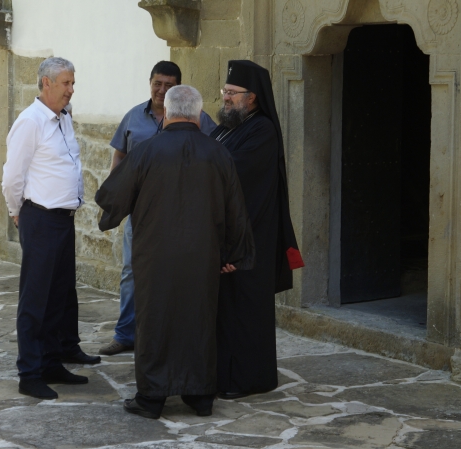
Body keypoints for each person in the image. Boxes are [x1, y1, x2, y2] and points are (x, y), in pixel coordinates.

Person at [95, 85, 255, 419]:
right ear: (198, 115)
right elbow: (236, 210)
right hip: (203, 256)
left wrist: (109, 214)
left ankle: (151, 397)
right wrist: (233, 255)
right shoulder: (218, 152)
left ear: (166, 112)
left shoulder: (146, 151)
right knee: (199, 320)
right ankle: (199, 396)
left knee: (154, 321)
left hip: (155, 256)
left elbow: (111, 198)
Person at [99, 61, 218, 356]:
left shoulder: (198, 119)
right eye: (157, 83)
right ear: (150, 82)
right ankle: (126, 334)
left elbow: (216, 151)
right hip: (140, 214)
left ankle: (172, 335)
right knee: (130, 272)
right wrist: (120, 198)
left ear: (177, 88)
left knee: (176, 274)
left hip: (181, 215)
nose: (161, 90)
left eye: (168, 85)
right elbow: (119, 158)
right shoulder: (132, 118)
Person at [210, 60, 305, 400]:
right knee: (225, 311)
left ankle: (248, 379)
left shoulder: (262, 130)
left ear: (252, 98)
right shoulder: (225, 128)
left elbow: (236, 173)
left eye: (232, 94)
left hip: (250, 238)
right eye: (225, 92)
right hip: (227, 233)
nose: (226, 99)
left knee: (245, 311)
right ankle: (222, 375)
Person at [2, 57, 91, 400]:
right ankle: (30, 372)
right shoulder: (30, 122)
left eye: (72, 82)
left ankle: (52, 363)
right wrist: (17, 213)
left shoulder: (63, 117)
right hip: (39, 218)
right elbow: (12, 176)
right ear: (46, 84)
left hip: (62, 219)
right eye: (66, 83)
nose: (71, 89)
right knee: (36, 300)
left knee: (58, 296)